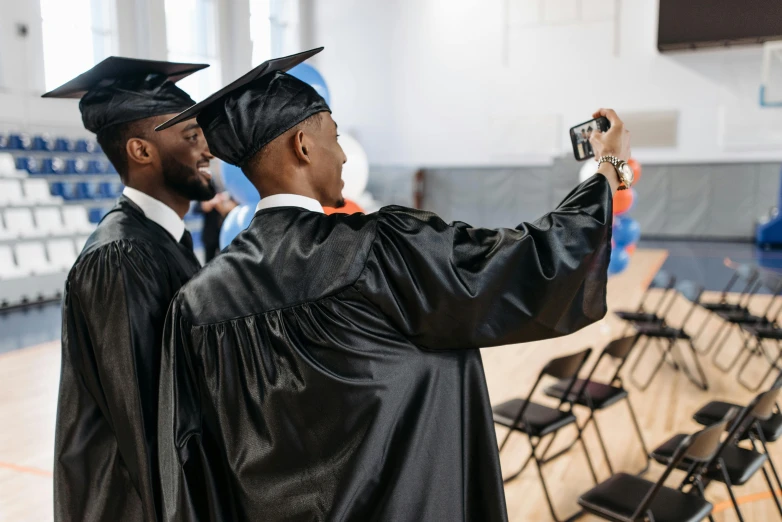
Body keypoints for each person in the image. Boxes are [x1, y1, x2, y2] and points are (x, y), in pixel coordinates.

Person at [155, 48, 630, 521]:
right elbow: (533, 259)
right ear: (302, 144)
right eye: (336, 138)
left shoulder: (197, 305)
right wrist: (610, 170)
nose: (343, 153)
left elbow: (194, 472)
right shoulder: (381, 250)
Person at [43, 57, 216, 522]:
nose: (208, 150)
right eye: (192, 136)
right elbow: (147, 420)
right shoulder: (120, 258)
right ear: (142, 151)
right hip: (127, 505)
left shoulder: (163, 240)